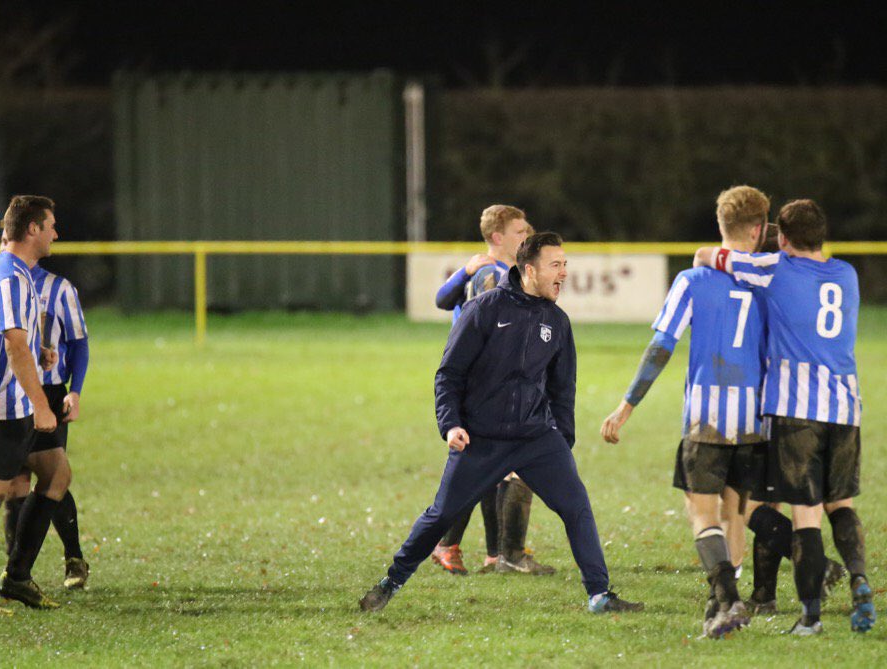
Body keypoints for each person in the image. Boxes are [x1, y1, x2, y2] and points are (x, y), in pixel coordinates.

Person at [360, 232, 643, 614]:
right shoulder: (484, 309)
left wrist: (562, 440)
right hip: (482, 439)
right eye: (555, 265)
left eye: (565, 265)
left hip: (536, 438)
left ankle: (599, 595)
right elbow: (449, 374)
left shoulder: (557, 321)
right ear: (530, 270)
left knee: (576, 507)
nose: (563, 273)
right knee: (441, 515)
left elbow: (563, 388)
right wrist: (451, 424)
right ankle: (390, 583)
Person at [694, 199, 875, 635]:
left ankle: (810, 618)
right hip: (846, 408)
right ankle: (859, 580)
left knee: (806, 516)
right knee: (841, 505)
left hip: (797, 412)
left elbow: (707, 255)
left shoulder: (776, 268)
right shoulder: (847, 274)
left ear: (784, 237)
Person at [600, 185, 771, 637]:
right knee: (735, 513)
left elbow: (662, 346)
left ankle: (727, 599)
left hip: (707, 418)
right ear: (759, 229)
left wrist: (626, 405)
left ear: (720, 224)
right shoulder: (771, 283)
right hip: (754, 418)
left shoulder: (692, 280)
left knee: (702, 514)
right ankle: (727, 596)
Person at [0, 195, 66, 615]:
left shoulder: (13, 271)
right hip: (1, 404)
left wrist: (40, 351)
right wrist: (42, 405)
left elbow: (15, 339)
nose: (56, 233)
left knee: (56, 474)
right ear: (33, 229)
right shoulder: (9, 277)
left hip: (18, 402)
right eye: (50, 225)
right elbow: (13, 345)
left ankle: (16, 577)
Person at [431, 205, 550, 576]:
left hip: (489, 380)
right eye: (520, 232)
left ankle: (494, 553)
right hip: (481, 380)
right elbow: (486, 328)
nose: (527, 237)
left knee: (492, 467)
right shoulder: (488, 273)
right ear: (498, 237)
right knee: (485, 465)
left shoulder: (502, 273)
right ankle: (449, 545)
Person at [2, 234, 91, 590]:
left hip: (49, 394)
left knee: (53, 474)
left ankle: (74, 557)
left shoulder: (58, 288)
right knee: (16, 483)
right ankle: (15, 570)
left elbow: (79, 343)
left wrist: (75, 391)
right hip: (10, 392)